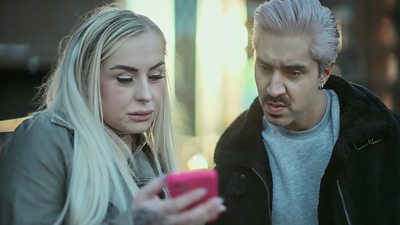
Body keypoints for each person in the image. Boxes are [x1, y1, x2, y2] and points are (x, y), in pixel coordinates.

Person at [0, 4, 225, 225]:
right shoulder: (46, 138)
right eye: (125, 79)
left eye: (156, 76)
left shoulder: (146, 153)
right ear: (85, 79)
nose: (146, 95)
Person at [208, 0, 400, 225]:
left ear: (324, 73)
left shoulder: (381, 142)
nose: (273, 88)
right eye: (265, 67)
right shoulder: (235, 152)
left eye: (293, 73)